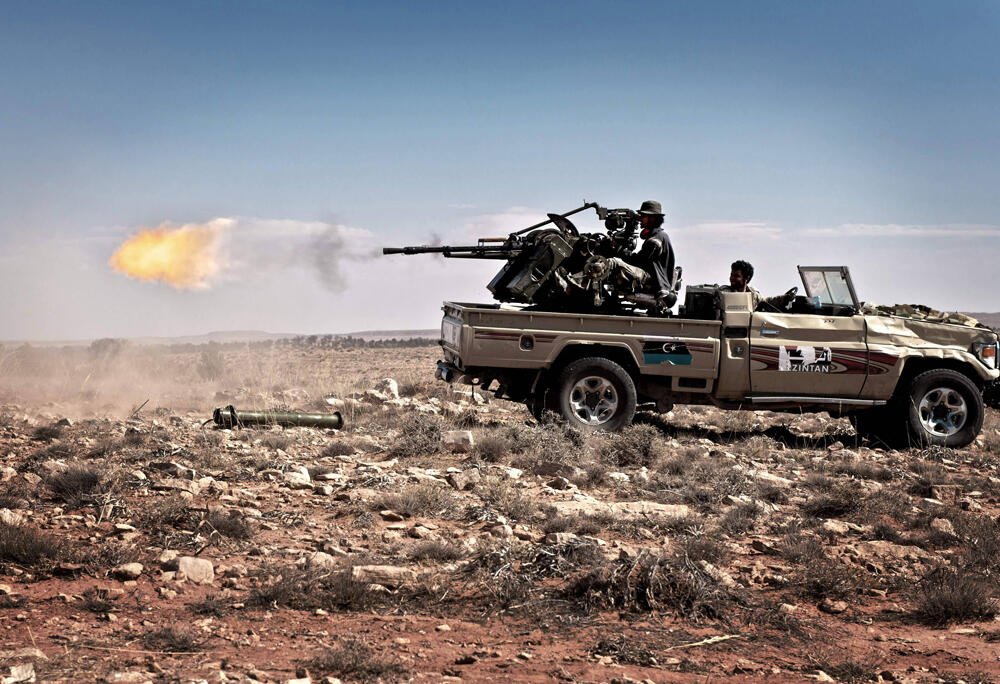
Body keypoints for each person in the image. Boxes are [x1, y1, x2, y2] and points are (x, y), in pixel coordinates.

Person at [608, 200, 677, 304]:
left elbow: (638, 261)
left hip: (653, 282)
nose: (640, 219)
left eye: (643, 216)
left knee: (611, 263)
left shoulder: (655, 240)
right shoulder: (659, 236)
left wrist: (617, 248)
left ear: (652, 218)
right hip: (654, 280)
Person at [721, 260, 787, 310]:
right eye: (731, 275)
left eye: (736, 276)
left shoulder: (753, 294)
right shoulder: (724, 293)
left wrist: (784, 299)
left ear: (747, 278)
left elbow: (766, 303)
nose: (732, 278)